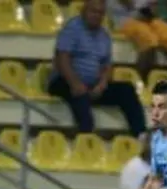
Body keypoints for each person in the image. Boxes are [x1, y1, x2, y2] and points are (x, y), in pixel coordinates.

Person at [48, 0, 146, 136]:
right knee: (80, 95)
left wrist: (101, 84)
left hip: (91, 84)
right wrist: (75, 83)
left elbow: (107, 66)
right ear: (84, 11)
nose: (97, 16)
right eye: (93, 11)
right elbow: (62, 59)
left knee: (127, 89)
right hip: (65, 80)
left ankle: (141, 136)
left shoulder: (104, 35)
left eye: (100, 13)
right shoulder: (72, 29)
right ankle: (86, 136)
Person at [107, 0, 167, 79]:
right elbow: (129, 4)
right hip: (126, 21)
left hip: (150, 20)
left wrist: (149, 11)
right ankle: (141, 82)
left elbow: (152, 10)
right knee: (150, 41)